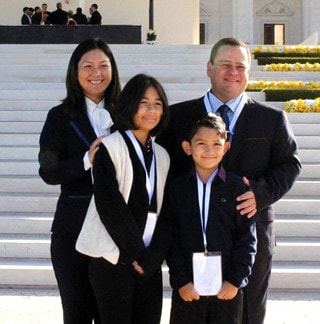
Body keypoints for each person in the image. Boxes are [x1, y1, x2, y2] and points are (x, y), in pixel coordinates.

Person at [156, 37, 301, 324]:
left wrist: (260, 193)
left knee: (247, 314)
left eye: (240, 66)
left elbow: (290, 164)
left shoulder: (272, 120)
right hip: (192, 238)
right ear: (210, 67)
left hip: (250, 236)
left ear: (248, 72)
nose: (233, 72)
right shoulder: (178, 117)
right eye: (225, 65)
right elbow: (162, 167)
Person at [38, 38, 121, 324]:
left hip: (118, 231)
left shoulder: (127, 114)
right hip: (73, 231)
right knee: (77, 314)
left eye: (103, 65)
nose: (96, 72)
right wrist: (87, 160)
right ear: (75, 72)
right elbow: (48, 171)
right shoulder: (58, 117)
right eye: (87, 66)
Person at [76, 73, 170, 324]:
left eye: (157, 104)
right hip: (113, 259)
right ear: (130, 105)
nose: (152, 110)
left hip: (148, 263)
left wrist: (151, 259)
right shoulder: (110, 147)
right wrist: (137, 255)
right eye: (144, 103)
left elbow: (167, 212)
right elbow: (110, 206)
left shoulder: (162, 155)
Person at [166, 114, 256, 323]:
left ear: (226, 148)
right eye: (201, 143)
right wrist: (181, 281)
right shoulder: (177, 188)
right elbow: (171, 239)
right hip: (189, 289)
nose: (209, 150)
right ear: (188, 147)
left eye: (216, 143)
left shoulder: (237, 187)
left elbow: (248, 239)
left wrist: (235, 280)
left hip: (227, 289)